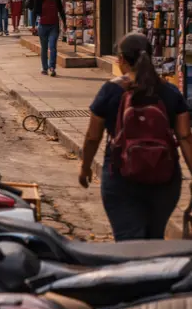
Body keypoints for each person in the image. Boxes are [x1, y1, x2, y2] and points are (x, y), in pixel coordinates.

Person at [80, 33, 192, 241]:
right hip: (164, 178)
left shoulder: (111, 90)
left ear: (121, 60)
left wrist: (85, 167)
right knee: (154, 240)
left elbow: (92, 137)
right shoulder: (170, 92)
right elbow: (185, 136)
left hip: (121, 177)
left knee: (128, 243)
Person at [32, 0, 66, 76]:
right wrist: (34, 26)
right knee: (44, 48)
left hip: (54, 27)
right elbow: (35, 12)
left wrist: (65, 24)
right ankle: (44, 68)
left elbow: (61, 11)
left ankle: (52, 67)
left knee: (52, 47)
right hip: (42, 26)